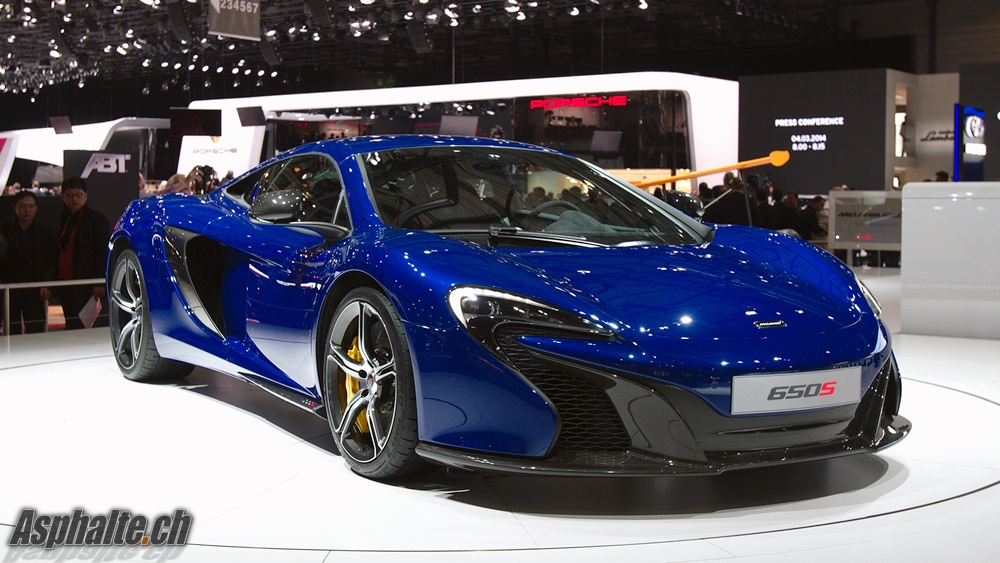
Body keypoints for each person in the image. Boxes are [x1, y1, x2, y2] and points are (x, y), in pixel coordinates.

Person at [56, 177, 111, 330]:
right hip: (65, 281)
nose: (74, 199)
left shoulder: (97, 219)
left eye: (78, 194)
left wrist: (99, 282)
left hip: (85, 283)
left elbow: (102, 251)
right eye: (70, 195)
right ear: (63, 197)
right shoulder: (64, 218)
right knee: (70, 323)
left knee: (83, 325)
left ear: (85, 196)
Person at [0, 191, 59, 334]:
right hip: (9, 286)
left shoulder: (45, 232)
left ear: (36, 208)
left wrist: (46, 284)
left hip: (34, 287)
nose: (27, 210)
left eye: (31, 206)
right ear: (15, 208)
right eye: (23, 206)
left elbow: (50, 261)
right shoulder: (5, 228)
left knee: (36, 327)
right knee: (11, 328)